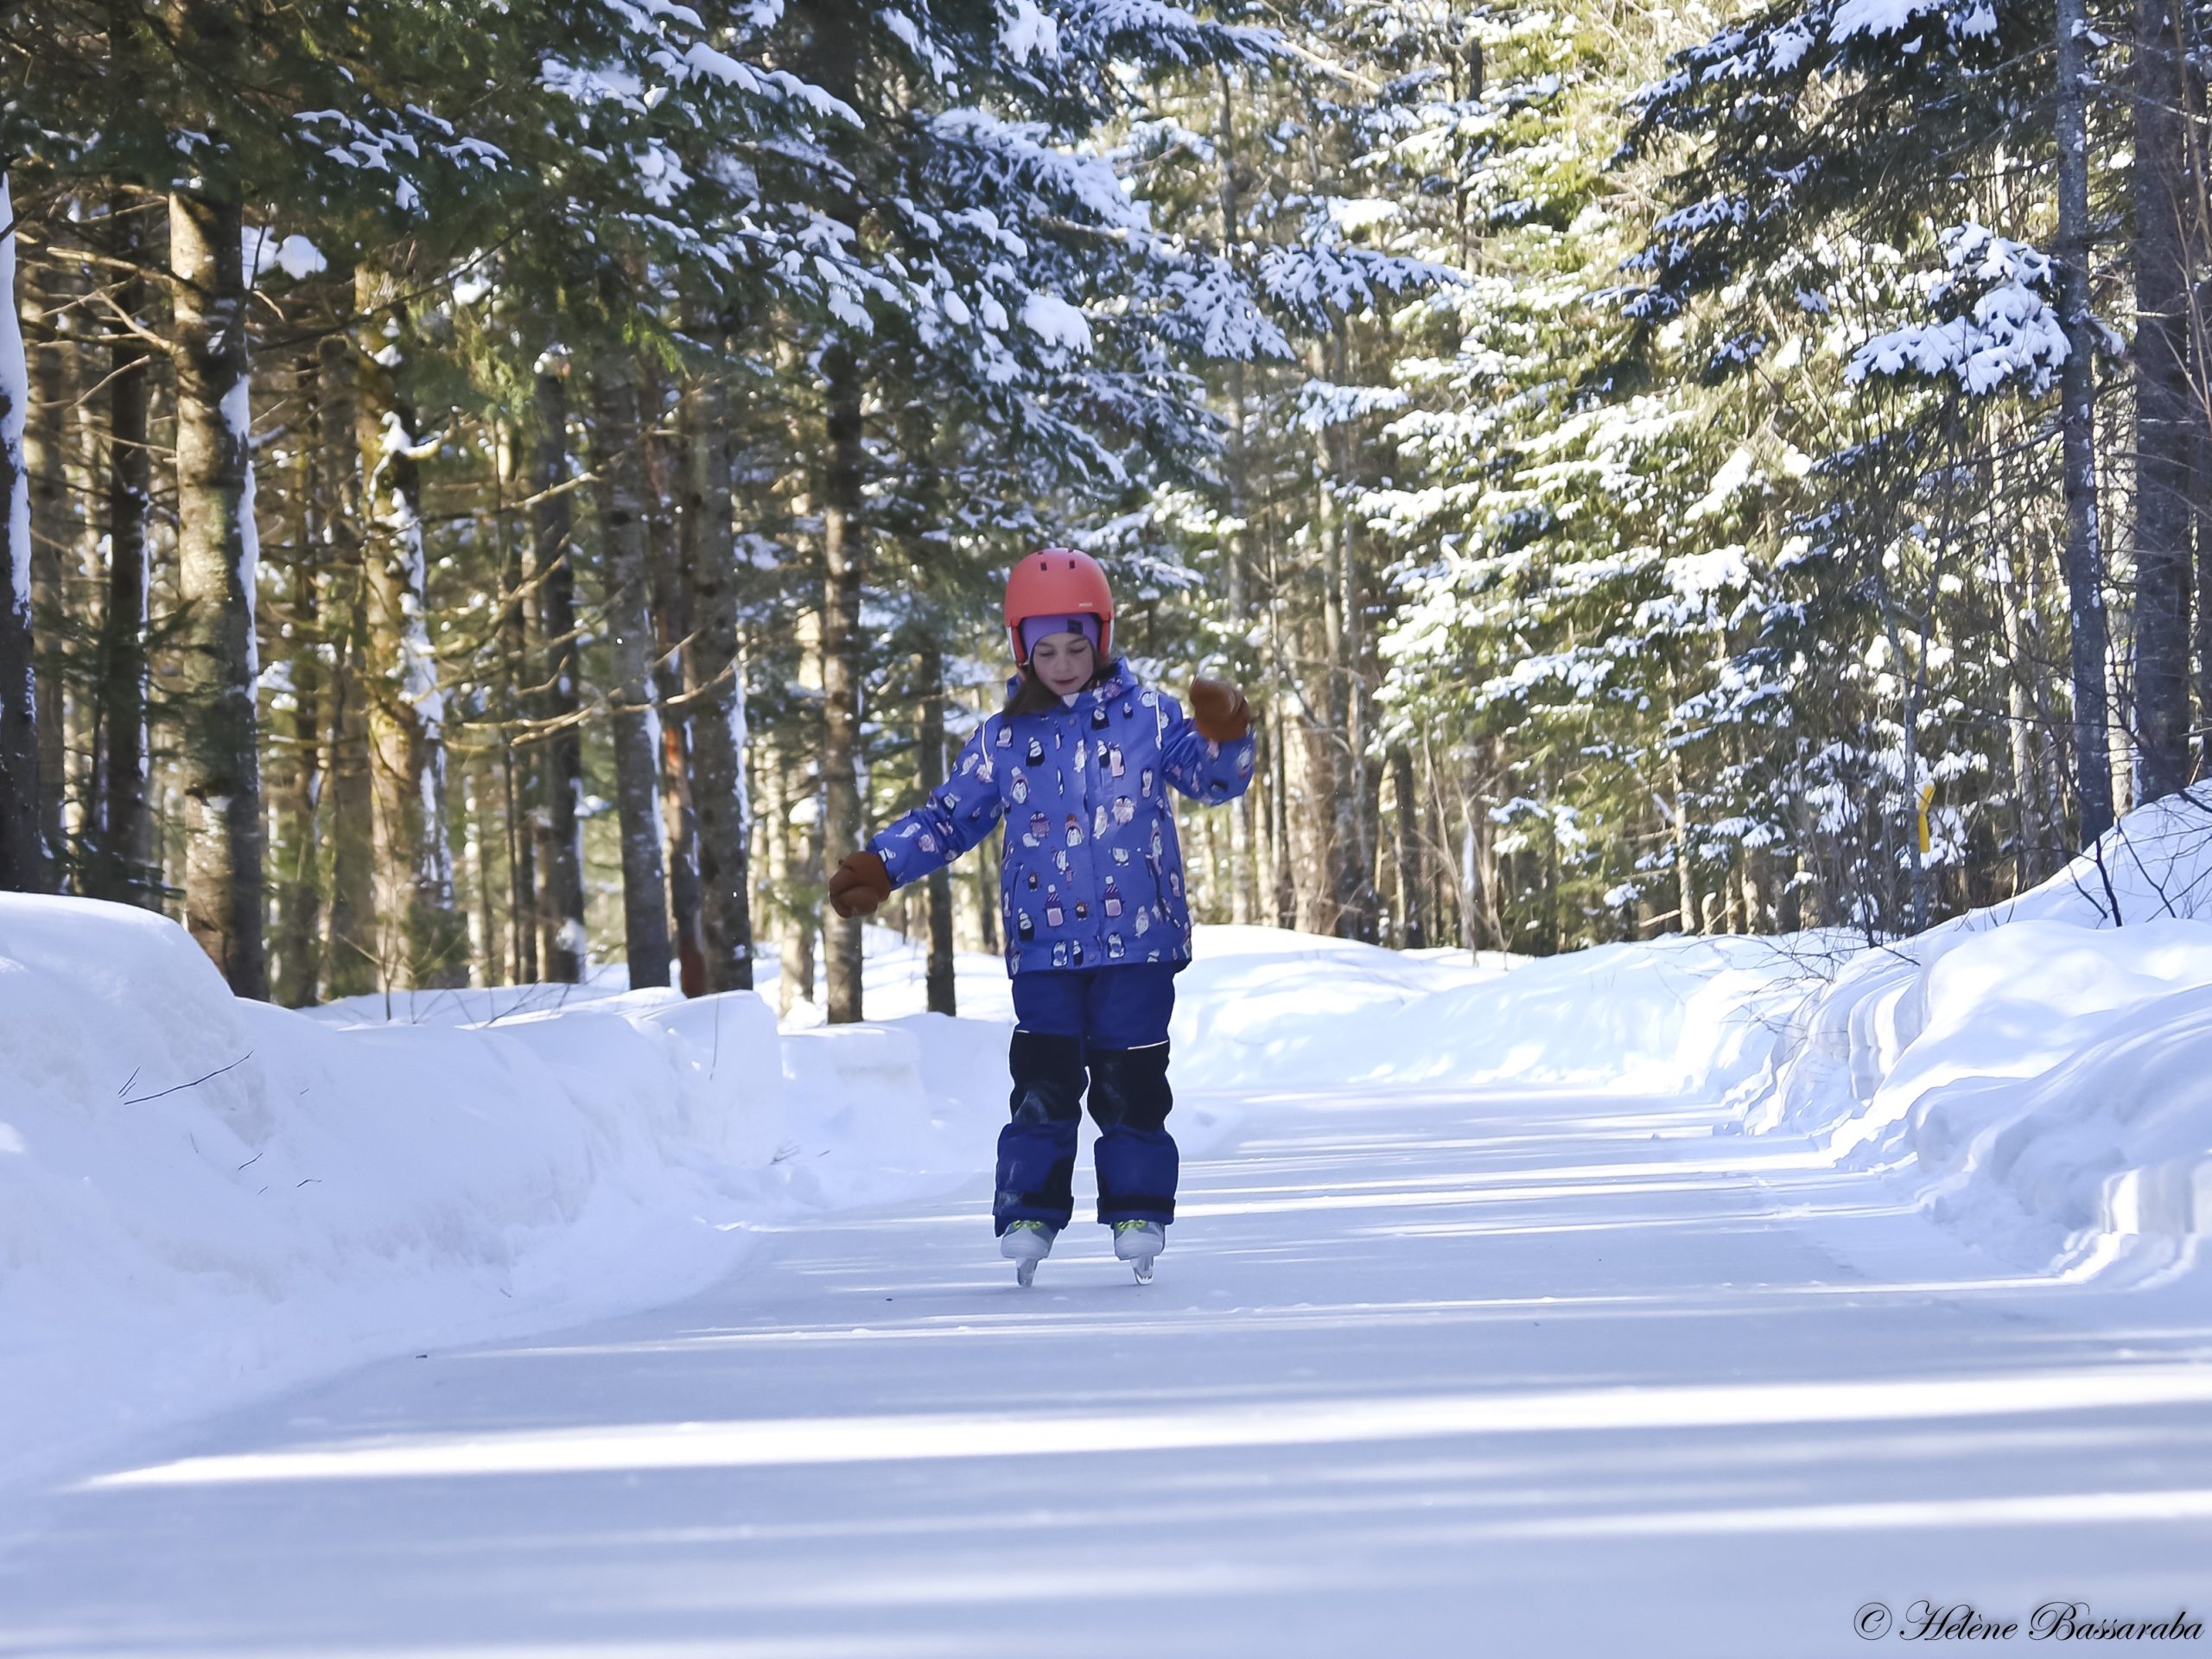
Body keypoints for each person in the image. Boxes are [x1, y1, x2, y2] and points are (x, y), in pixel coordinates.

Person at [826, 547, 1256, 1285]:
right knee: (1043, 1083)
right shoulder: (1004, 740)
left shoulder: (1151, 718)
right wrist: (883, 864)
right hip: (1045, 945)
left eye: (1077, 646)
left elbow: (1214, 780)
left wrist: (1227, 732)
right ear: (1023, 650)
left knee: (1131, 1083)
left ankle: (1139, 1208)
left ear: (1103, 640)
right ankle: (1028, 1205)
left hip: (1139, 944)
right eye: (1045, 649)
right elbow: (948, 818)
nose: (1062, 663)